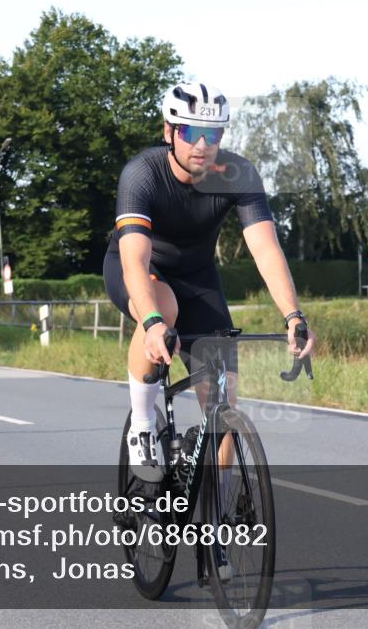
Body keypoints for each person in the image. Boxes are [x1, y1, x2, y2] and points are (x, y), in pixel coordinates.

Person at [103, 82, 316, 480]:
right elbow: (135, 258)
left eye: (212, 134)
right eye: (189, 132)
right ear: (169, 131)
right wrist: (151, 323)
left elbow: (266, 250)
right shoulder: (142, 174)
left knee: (223, 406)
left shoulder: (236, 173)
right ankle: (144, 426)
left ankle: (213, 516)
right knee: (163, 307)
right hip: (142, 271)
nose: (201, 144)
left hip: (198, 277)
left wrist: (293, 316)